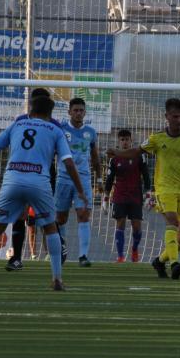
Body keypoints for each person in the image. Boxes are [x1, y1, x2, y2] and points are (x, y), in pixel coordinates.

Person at [0, 88, 87, 291]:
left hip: (12, 181)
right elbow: (69, 164)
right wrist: (80, 190)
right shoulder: (55, 130)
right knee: (50, 228)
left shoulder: (17, 124)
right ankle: (57, 280)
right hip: (39, 183)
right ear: (49, 114)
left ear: (31, 110)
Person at [106, 98, 180, 279]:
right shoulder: (156, 138)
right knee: (172, 221)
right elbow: (136, 151)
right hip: (164, 189)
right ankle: (175, 264)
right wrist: (118, 152)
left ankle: (160, 261)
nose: (178, 120)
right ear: (166, 116)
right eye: (175, 116)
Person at [55, 97, 103, 267]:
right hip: (63, 178)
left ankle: (83, 256)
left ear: (85, 112)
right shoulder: (60, 129)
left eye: (81, 110)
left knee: (83, 215)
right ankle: (62, 249)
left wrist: (99, 179)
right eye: (75, 110)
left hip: (83, 179)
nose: (78, 113)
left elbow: (95, 158)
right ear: (69, 112)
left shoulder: (90, 132)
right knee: (60, 218)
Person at [102, 129, 151, 263]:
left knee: (136, 226)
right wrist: (105, 198)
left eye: (127, 140)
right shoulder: (114, 158)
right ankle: (120, 256)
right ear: (119, 142)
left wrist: (148, 194)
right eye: (122, 140)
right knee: (120, 223)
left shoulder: (139, 156)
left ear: (131, 141)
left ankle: (134, 249)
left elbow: (146, 176)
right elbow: (110, 179)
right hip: (119, 195)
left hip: (135, 195)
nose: (125, 142)